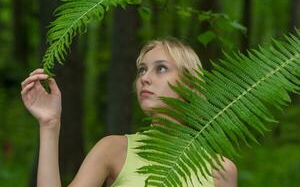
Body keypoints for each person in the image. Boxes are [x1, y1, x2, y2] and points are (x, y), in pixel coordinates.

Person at [21, 38, 237, 187]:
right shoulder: (114, 149)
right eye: (142, 69)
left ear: (191, 85)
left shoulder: (221, 169)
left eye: (161, 68)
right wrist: (49, 124)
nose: (144, 78)